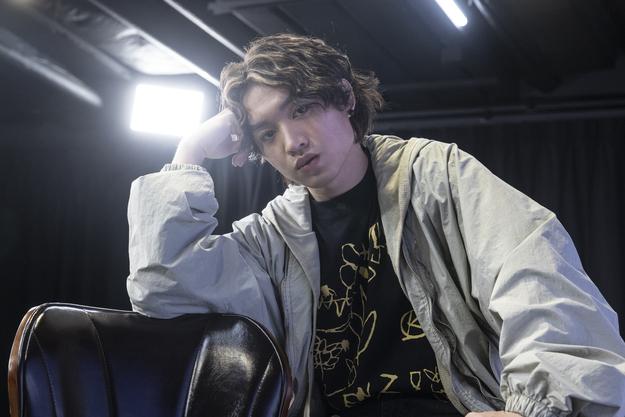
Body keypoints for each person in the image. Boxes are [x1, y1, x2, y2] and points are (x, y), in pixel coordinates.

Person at [127, 34, 625, 417]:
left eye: (301, 109)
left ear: (345, 98)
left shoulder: (435, 176)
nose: (292, 141)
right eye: (267, 133)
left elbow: (535, 277)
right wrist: (189, 153)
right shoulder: (270, 238)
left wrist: (536, 409)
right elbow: (163, 288)